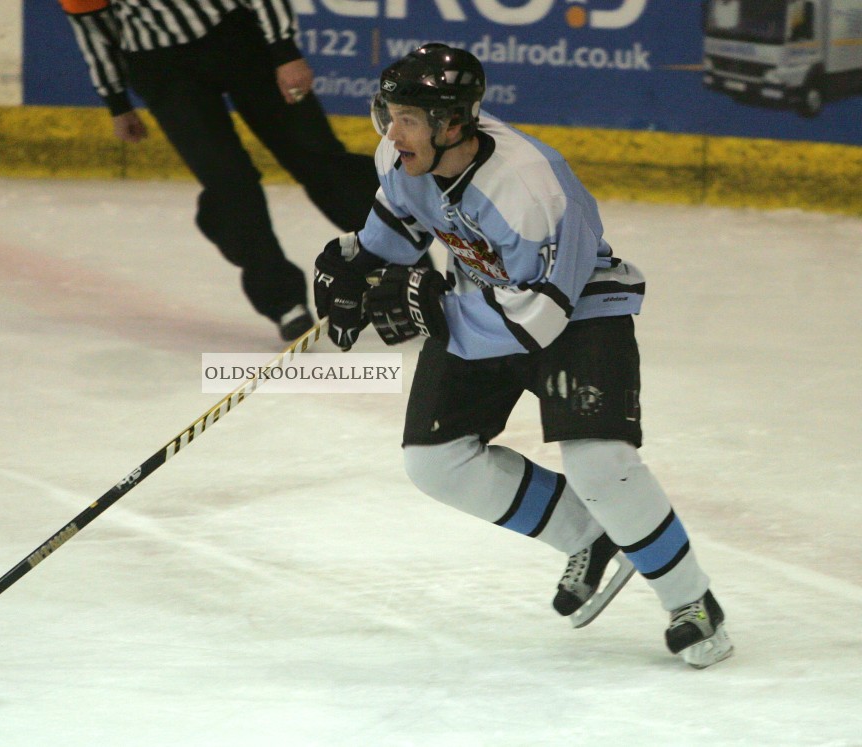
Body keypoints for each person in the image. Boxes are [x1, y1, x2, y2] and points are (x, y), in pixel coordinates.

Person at [313, 43, 734, 668]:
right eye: (390, 114)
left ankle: (692, 603)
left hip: (578, 314)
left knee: (599, 462)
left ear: (452, 124)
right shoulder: (402, 155)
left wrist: (432, 308)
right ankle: (586, 537)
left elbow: (540, 317)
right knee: (435, 463)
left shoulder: (529, 188)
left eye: (408, 117)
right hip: (483, 306)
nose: (391, 131)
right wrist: (360, 264)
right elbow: (401, 218)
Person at [58, 0, 380, 340]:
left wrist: (284, 51)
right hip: (161, 66)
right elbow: (95, 28)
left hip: (236, 37)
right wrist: (116, 102)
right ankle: (282, 300)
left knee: (317, 157)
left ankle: (396, 259)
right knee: (229, 186)